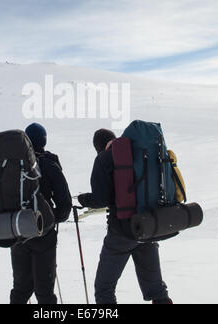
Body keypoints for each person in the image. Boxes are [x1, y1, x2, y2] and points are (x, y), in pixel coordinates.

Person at [78, 129, 173, 305]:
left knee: (104, 289)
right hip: (147, 228)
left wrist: (84, 199)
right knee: (157, 290)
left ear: (99, 147)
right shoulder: (138, 152)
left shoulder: (104, 159)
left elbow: (101, 199)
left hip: (121, 232)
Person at [10, 123, 72, 304]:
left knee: (20, 290)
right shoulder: (48, 164)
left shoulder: (15, 167)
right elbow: (65, 203)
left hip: (17, 231)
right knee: (44, 292)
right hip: (43, 233)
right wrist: (53, 218)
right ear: (43, 141)